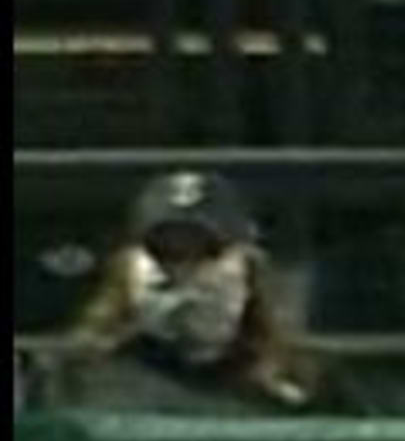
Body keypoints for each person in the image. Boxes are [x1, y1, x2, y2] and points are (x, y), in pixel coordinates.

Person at [35, 170, 347, 420]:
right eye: (166, 253)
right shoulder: (77, 381)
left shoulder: (302, 386)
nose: (183, 272)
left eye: (203, 252)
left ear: (247, 266)